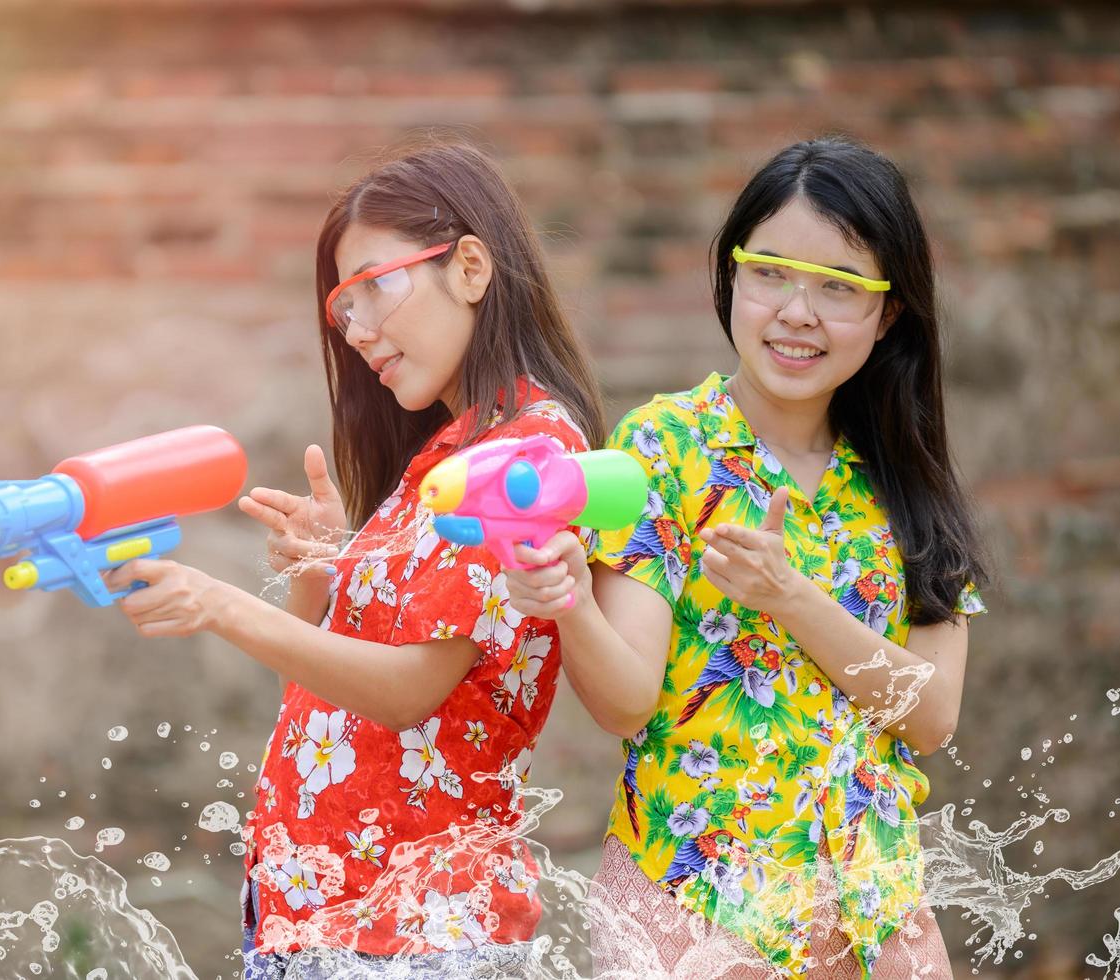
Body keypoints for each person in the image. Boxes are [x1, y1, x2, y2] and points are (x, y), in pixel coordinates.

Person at [104, 137, 605, 976]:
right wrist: (320, 582)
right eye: (345, 309)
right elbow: (327, 703)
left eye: (374, 288)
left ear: (471, 268)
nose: (360, 333)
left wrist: (224, 603)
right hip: (336, 921)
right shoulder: (440, 462)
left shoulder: (521, 458)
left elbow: (410, 692)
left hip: (416, 931)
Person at [504, 136, 990, 977]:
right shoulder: (662, 449)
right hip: (694, 914)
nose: (796, 312)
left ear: (888, 314)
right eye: (768, 272)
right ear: (731, 277)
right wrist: (569, 602)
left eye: (838, 288)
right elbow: (625, 703)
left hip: (876, 924)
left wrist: (790, 598)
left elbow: (930, 716)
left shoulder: (904, 479)